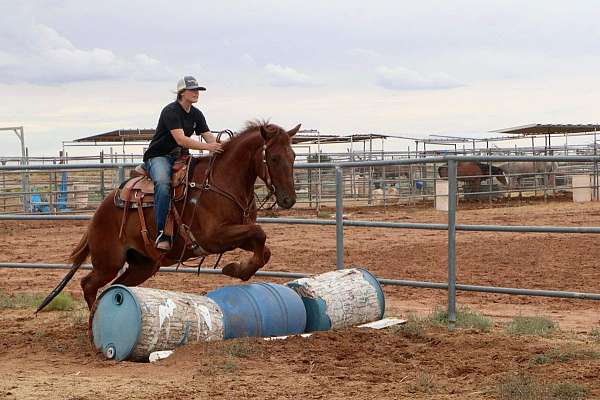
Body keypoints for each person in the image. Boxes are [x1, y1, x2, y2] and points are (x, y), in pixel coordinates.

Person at [143, 76, 223, 251]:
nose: (196, 93)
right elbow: (181, 139)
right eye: (192, 90)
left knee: (200, 180)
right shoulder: (170, 111)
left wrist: (225, 147)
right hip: (159, 156)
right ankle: (162, 232)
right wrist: (209, 146)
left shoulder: (196, 114)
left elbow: (209, 136)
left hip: (181, 157)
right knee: (163, 184)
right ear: (182, 92)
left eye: (198, 90)